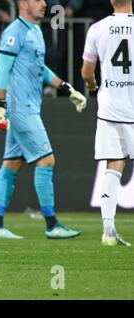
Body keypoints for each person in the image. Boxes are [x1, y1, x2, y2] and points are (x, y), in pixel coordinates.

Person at [0, 0, 87, 239]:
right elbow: (2, 69)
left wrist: (66, 88)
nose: (44, 4)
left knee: (11, 163)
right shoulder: (14, 32)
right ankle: (52, 224)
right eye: (38, 0)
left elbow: (39, 67)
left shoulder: (35, 31)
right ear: (23, 4)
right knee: (46, 160)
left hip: (30, 105)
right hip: (20, 108)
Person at [81, 0, 133, 246]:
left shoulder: (97, 29)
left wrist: (93, 87)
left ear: (111, 1)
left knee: (114, 163)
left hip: (110, 109)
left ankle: (108, 231)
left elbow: (86, 72)